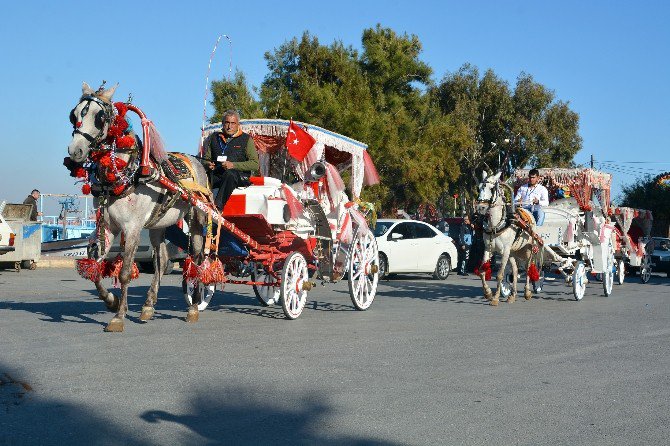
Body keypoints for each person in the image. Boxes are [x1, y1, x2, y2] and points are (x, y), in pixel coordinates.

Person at [201, 110, 259, 210]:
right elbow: (205, 159)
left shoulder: (246, 139)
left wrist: (233, 165)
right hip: (217, 176)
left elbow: (255, 164)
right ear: (223, 123)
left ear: (238, 124)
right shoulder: (213, 138)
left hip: (238, 177)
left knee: (230, 174)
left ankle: (218, 207)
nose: (229, 126)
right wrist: (208, 164)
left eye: (233, 123)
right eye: (227, 123)